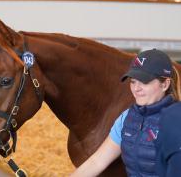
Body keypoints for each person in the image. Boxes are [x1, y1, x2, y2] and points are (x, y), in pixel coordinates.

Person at [70, 49, 181, 177]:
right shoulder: (127, 118)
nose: (136, 88)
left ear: (165, 84)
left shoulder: (177, 121)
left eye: (144, 81)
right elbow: (97, 162)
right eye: (133, 82)